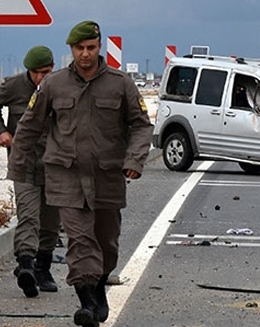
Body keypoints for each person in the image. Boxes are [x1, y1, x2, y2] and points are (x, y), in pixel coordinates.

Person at [7, 20, 153, 327]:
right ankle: (86, 302)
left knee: (106, 240)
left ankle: (98, 285)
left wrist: (135, 159)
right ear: (71, 49)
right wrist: (17, 167)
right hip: (66, 175)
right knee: (79, 238)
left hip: (107, 176)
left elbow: (141, 125)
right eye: (79, 48)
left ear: (99, 47)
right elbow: (30, 125)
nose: (85, 54)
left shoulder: (121, 83)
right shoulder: (54, 84)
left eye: (90, 48)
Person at [0, 45, 61, 298]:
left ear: (53, 69)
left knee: (50, 221)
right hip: (23, 164)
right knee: (28, 216)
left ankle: (43, 268)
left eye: (46, 72)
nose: (41, 78)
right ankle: (25, 265)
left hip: (55, 165)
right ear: (29, 71)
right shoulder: (13, 86)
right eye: (36, 73)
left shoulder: (61, 87)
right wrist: (2, 131)